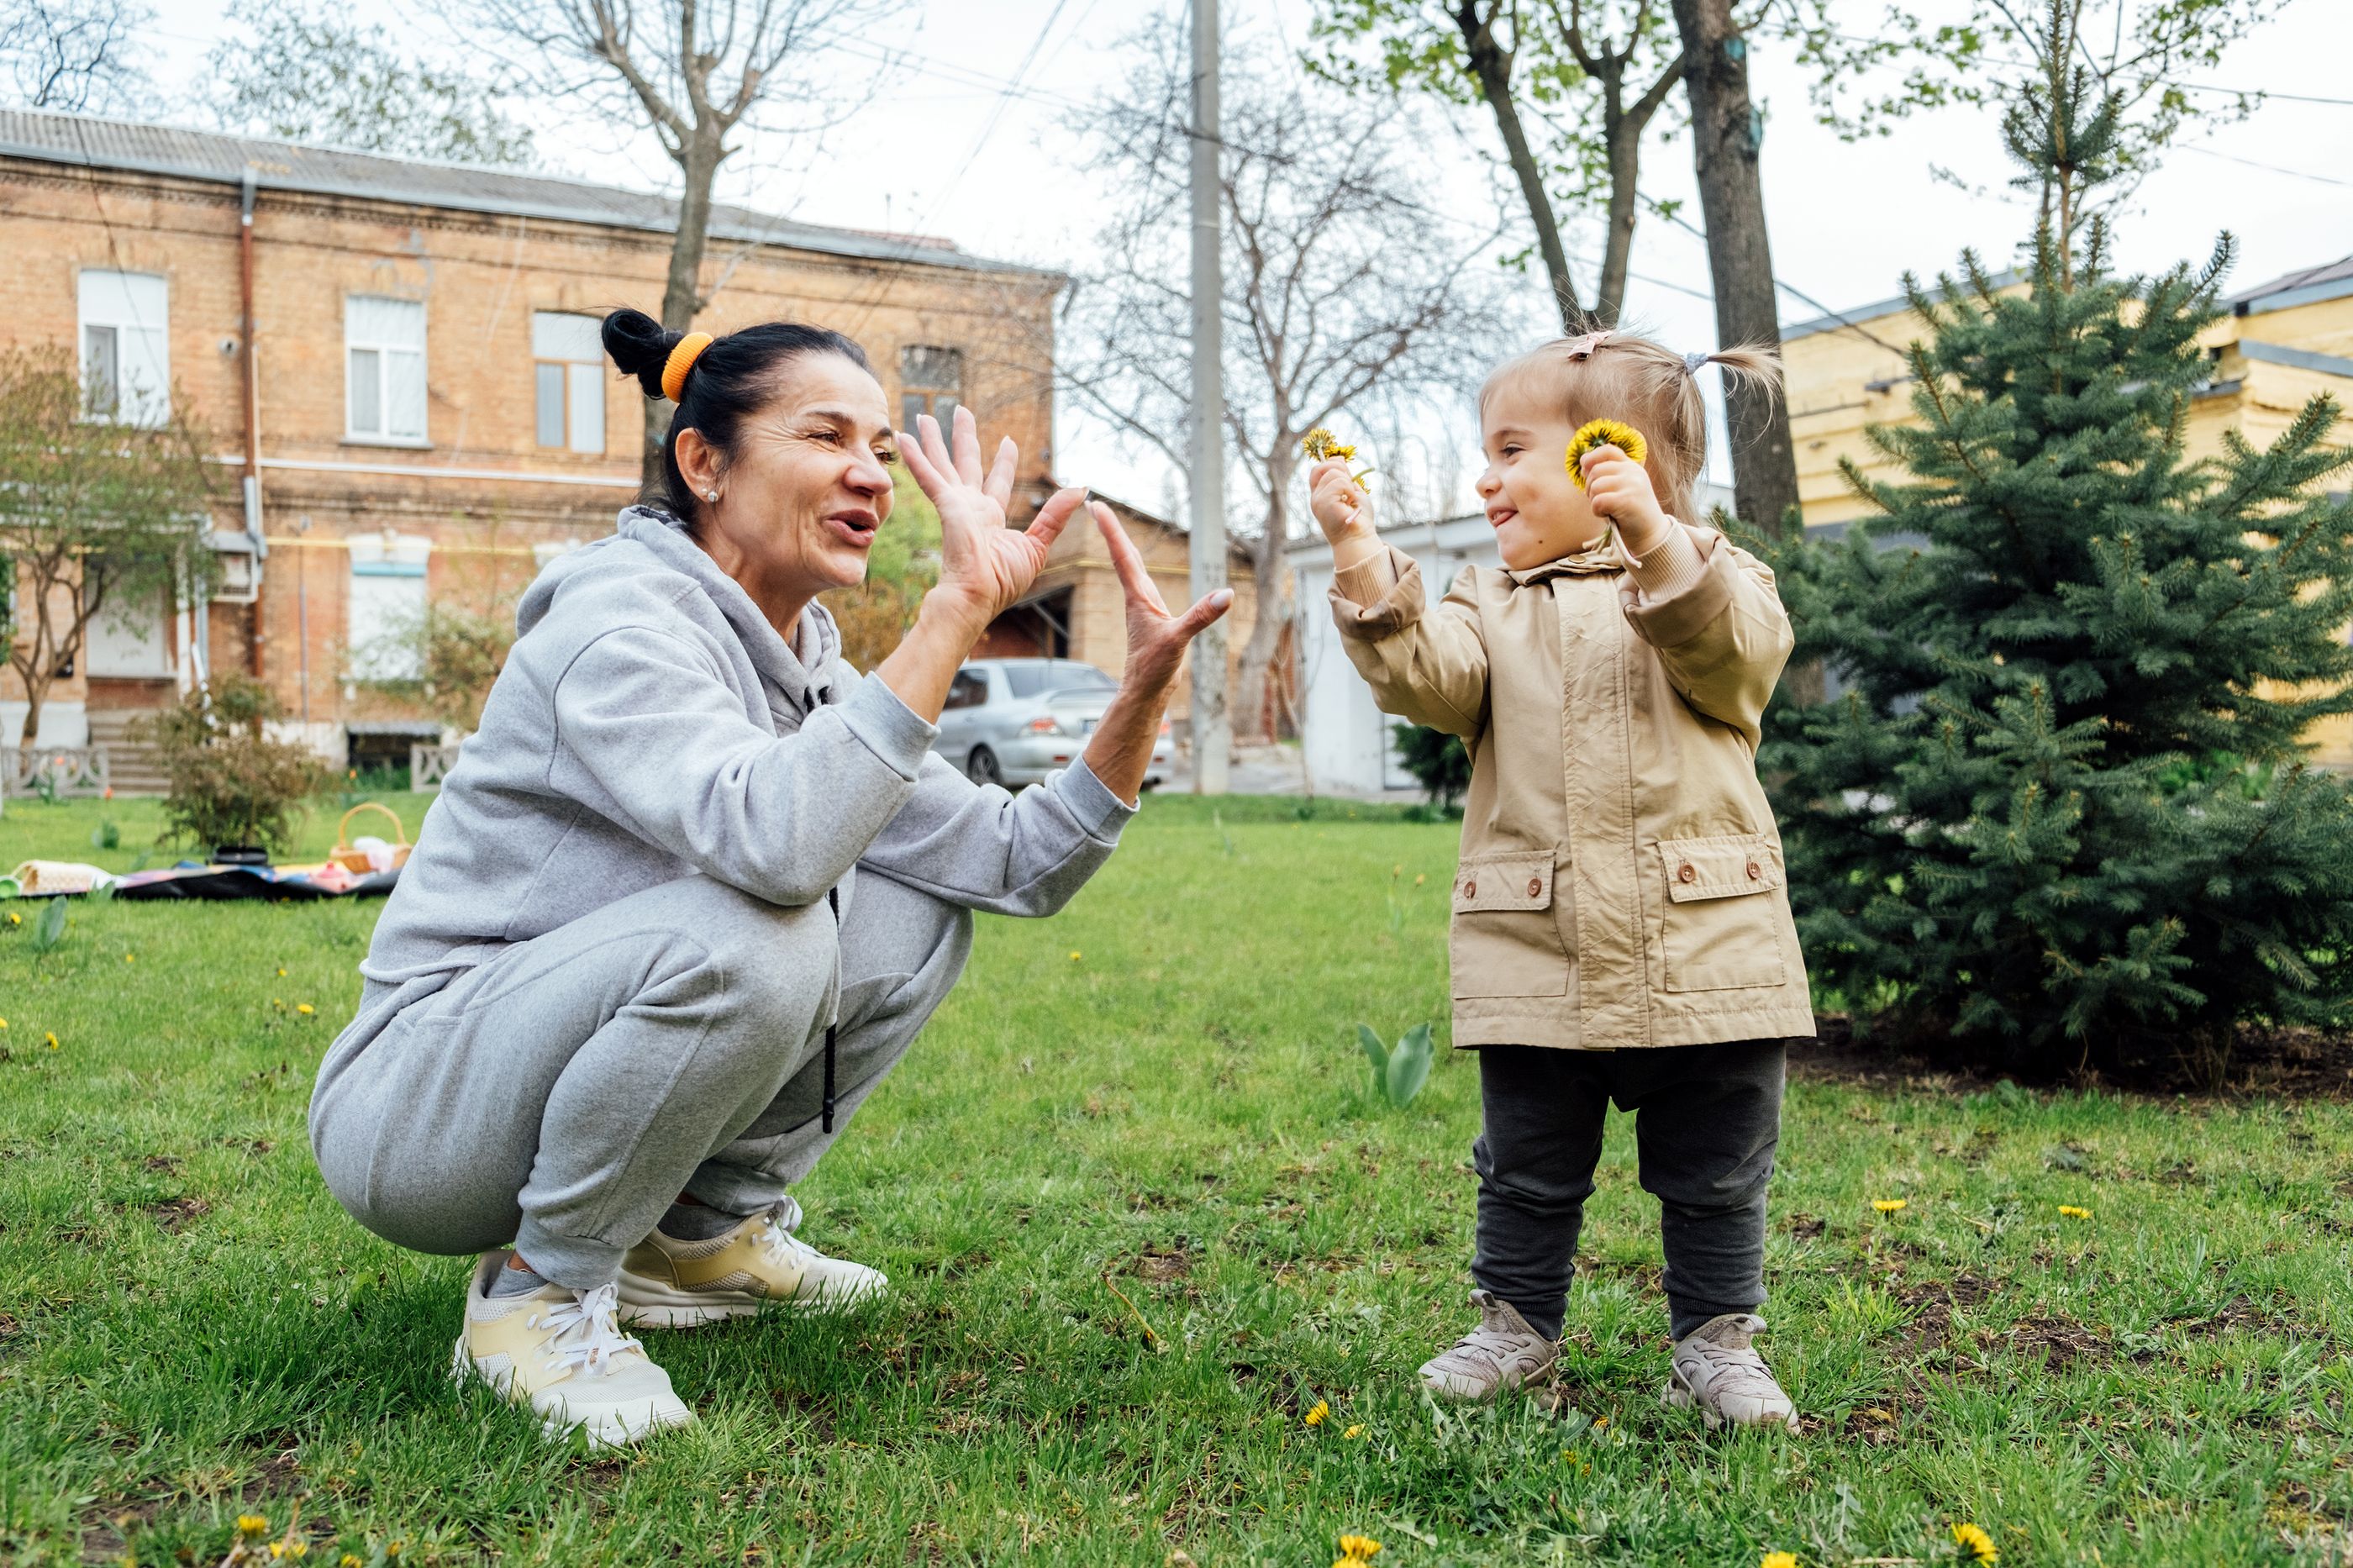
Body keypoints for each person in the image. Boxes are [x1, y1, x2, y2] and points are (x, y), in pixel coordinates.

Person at [308, 308, 1229, 1449]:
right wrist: (953, 612)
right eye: (827, 435)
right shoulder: (615, 618)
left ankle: (694, 1233)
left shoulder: (812, 673)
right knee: (774, 925)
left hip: (538, 1072)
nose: (871, 475)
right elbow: (777, 846)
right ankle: (534, 1295)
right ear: (705, 462)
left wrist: (1137, 695)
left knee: (919, 902)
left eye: (882, 448)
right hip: (418, 1111)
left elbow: (1011, 864)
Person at [1308, 330, 1814, 1428]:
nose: (1484, 478)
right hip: (1539, 940)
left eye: (1508, 451)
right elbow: (1425, 678)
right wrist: (1358, 554)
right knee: (1527, 1159)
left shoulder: (1718, 580)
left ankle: (1717, 1340)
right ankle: (1517, 1322)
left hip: (1707, 940)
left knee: (1718, 1165)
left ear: (1608, 456)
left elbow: (1736, 655)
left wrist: (1654, 538)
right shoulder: (1488, 602)